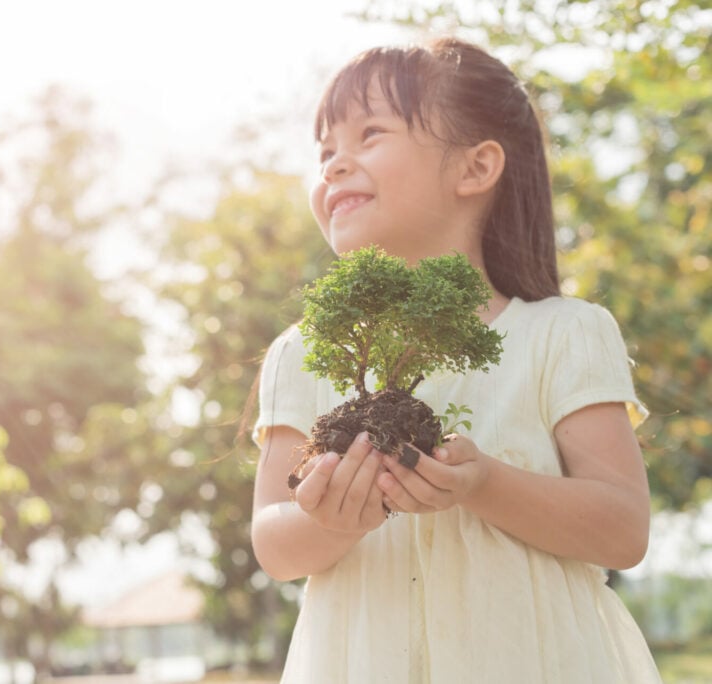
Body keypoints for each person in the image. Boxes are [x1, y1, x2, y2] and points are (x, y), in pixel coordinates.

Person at [250, 37, 662, 683]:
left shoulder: (564, 334)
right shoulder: (303, 353)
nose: (333, 166)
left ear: (474, 169)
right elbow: (273, 544)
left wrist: (485, 484)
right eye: (325, 151)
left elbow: (623, 529)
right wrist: (326, 520)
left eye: (370, 134)